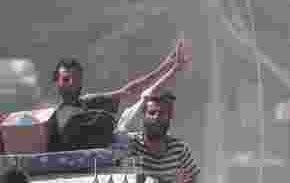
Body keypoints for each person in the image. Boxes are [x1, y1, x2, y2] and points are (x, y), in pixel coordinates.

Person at [48, 39, 187, 151]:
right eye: (66, 79)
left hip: (110, 152)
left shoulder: (87, 102)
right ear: (56, 82)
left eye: (76, 79)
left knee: (145, 98)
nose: (72, 83)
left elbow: (129, 91)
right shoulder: (50, 119)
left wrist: (167, 67)